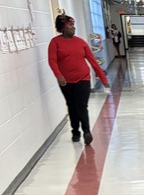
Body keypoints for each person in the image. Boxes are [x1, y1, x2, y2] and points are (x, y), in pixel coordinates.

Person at [47, 14, 109, 145]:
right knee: (71, 105)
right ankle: (75, 131)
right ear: (63, 28)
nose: (73, 28)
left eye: (73, 25)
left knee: (82, 106)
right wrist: (59, 76)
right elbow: (52, 61)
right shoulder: (55, 42)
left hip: (83, 79)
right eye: (70, 26)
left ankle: (86, 131)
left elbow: (93, 62)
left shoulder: (81, 42)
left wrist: (103, 78)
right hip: (65, 81)